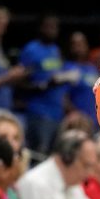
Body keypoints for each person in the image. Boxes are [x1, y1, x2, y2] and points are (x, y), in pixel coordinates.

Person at [16, 130, 100, 199]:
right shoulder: (34, 184)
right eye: (86, 166)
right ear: (67, 158)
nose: (90, 174)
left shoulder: (74, 185)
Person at [19, 12, 71, 154]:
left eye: (55, 27)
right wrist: (45, 84)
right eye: (49, 26)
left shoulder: (56, 50)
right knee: (38, 154)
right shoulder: (31, 49)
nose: (52, 30)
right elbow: (20, 82)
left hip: (57, 113)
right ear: (40, 28)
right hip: (39, 112)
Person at [62, 31, 100, 131]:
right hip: (78, 123)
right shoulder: (67, 68)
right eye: (75, 44)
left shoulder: (92, 68)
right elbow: (63, 98)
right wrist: (77, 115)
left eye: (81, 43)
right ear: (70, 47)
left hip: (96, 122)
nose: (79, 47)